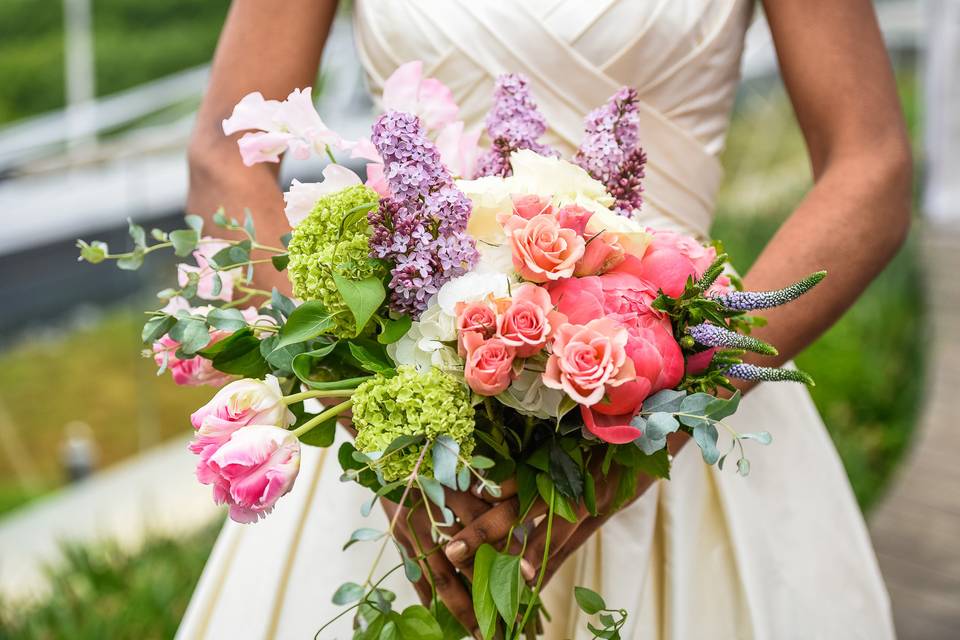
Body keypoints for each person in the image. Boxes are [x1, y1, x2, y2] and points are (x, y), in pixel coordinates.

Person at [178, 1, 911, 638]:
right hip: (407, 427)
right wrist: (385, 430)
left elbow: (868, 164)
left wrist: (662, 424)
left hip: (675, 402)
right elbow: (224, 156)